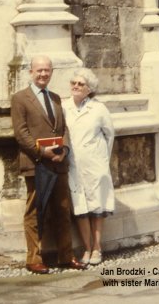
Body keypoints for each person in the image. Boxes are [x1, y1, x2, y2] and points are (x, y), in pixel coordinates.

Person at [11, 55, 86, 274]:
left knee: (62, 210)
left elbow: (62, 129)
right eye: (39, 70)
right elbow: (21, 133)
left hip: (58, 163)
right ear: (31, 72)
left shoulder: (55, 98)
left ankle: (66, 256)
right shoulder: (20, 98)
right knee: (35, 211)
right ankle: (33, 259)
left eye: (47, 70)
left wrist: (65, 150)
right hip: (37, 164)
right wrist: (42, 152)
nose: (43, 74)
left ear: (51, 72)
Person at [63, 67, 115, 265]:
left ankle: (97, 248)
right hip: (73, 165)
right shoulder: (63, 107)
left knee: (97, 205)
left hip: (95, 164)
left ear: (89, 88)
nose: (76, 86)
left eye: (81, 84)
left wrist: (102, 159)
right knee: (80, 207)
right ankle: (86, 247)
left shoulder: (99, 109)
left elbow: (109, 135)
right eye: (73, 83)